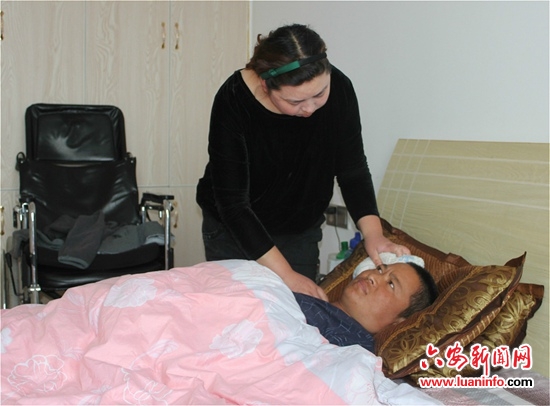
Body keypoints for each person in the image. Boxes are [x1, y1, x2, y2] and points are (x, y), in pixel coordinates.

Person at [196, 24, 410, 302]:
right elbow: (233, 204)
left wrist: (374, 234)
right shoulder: (234, 99)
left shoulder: (341, 89)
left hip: (300, 230)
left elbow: (353, 169)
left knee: (297, 312)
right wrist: (286, 275)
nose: (309, 109)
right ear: (265, 86)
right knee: (236, 312)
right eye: (295, 101)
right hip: (235, 231)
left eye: (320, 94)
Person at [294, 262, 439, 352]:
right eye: (380, 270)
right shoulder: (309, 298)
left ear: (398, 323)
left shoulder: (351, 350)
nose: (373, 276)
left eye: (391, 284)